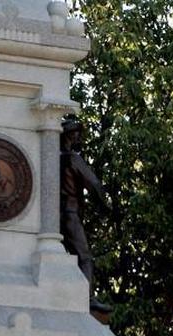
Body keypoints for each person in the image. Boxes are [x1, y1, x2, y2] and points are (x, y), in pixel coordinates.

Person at [60, 116, 111, 313]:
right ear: (70, 136)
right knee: (84, 256)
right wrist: (105, 206)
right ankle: (87, 298)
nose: (79, 137)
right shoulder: (73, 158)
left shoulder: (49, 157)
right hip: (71, 213)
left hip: (54, 216)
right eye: (76, 133)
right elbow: (94, 184)